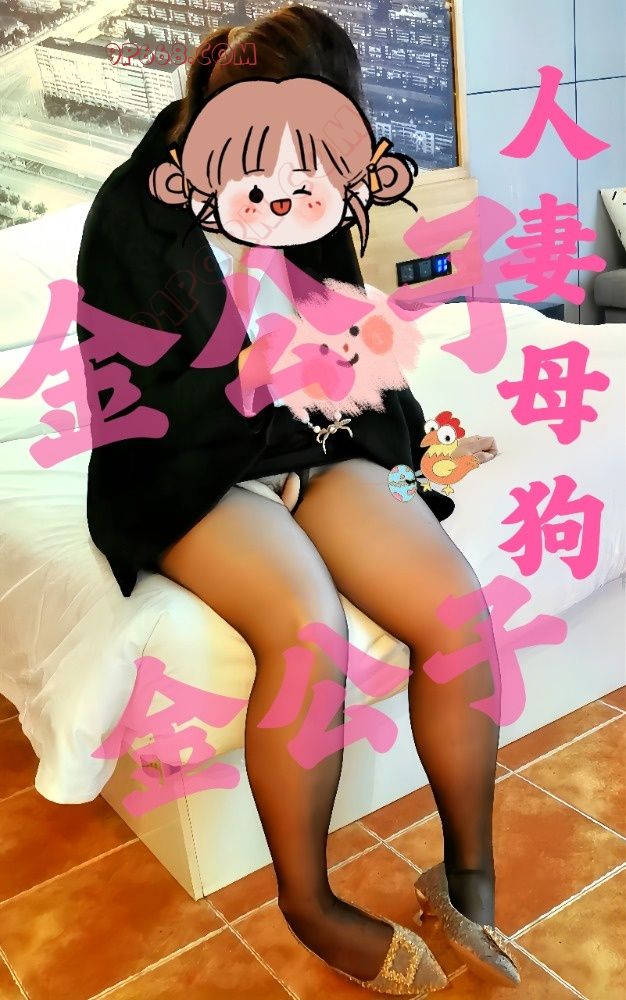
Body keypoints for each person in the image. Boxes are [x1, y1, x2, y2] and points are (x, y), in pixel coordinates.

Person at [76, 5, 518, 993]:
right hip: (186, 463)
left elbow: (343, 322)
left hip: (304, 440)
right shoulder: (131, 216)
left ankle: (466, 877)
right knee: (308, 628)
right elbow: (135, 400)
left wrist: (414, 449)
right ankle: (309, 905)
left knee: (453, 610)